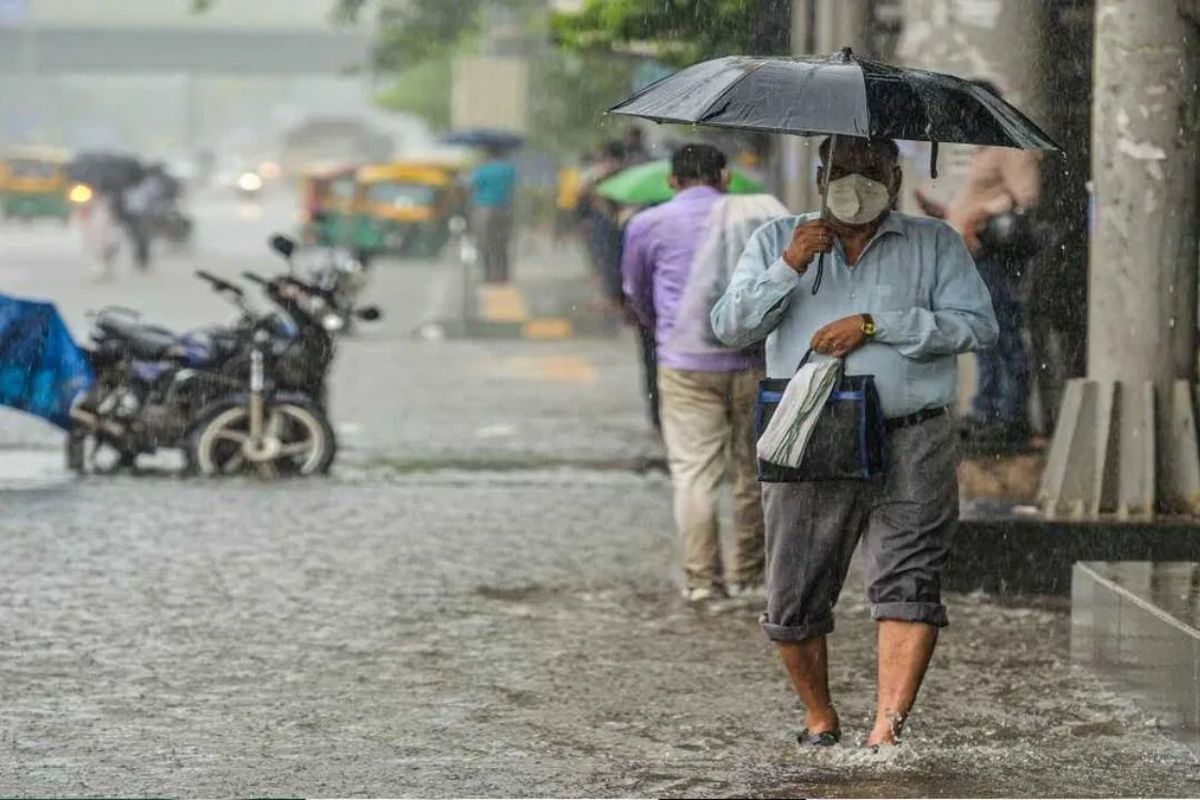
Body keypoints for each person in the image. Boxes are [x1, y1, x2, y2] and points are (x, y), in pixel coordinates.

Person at [711, 136, 998, 747]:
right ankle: (820, 716)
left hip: (913, 435)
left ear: (895, 179)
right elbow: (730, 327)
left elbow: (977, 327)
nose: (856, 181)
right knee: (793, 595)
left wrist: (876, 325)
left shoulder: (934, 243)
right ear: (821, 177)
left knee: (910, 583)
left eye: (872, 169)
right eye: (843, 169)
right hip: (809, 434)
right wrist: (789, 265)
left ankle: (885, 732)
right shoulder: (776, 239)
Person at [622, 143, 768, 603]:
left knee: (694, 474)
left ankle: (703, 581)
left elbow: (636, 292)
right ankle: (750, 577)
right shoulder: (751, 219)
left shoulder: (647, 223)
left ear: (672, 181)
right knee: (753, 471)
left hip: (684, 363)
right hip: (751, 359)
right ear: (725, 177)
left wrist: (660, 328)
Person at [916, 80, 1042, 444]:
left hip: (996, 254)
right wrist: (949, 213)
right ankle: (987, 409)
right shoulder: (985, 147)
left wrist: (979, 214)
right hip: (975, 253)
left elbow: (1025, 198)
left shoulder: (1011, 145)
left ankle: (1009, 414)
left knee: (1003, 331)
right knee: (985, 333)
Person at [469, 146, 518, 284]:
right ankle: (503, 276)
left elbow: (473, 186)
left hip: (484, 208)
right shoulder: (509, 169)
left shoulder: (482, 170)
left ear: (487, 154)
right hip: (504, 208)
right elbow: (512, 186)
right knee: (502, 243)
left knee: (484, 242)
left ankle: (488, 275)